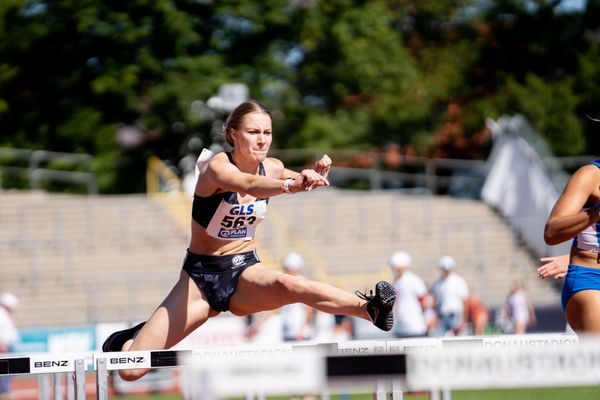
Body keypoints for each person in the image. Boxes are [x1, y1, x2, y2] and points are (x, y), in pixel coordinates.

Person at [101, 100, 396, 381]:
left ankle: (369, 309)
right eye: (253, 132)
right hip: (200, 281)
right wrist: (290, 186)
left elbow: (294, 182)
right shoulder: (216, 167)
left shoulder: (274, 168)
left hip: (244, 272)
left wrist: (312, 178)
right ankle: (131, 338)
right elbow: (248, 184)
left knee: (290, 284)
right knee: (131, 370)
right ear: (233, 134)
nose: (262, 140)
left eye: (267, 133)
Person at [543, 157, 600, 333]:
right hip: (592, 280)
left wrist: (568, 258)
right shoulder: (590, 175)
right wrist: (597, 211)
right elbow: (552, 232)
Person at [388, 251, 429, 338]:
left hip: (415, 326)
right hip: (400, 327)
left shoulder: (414, 280)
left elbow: (424, 301)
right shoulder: (395, 282)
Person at [430, 256, 469, 336]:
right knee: (439, 339)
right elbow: (435, 301)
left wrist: (464, 320)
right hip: (443, 317)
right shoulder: (438, 283)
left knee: (458, 340)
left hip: (455, 316)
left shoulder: (458, 281)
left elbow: (465, 301)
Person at [0, 293, 20, 398]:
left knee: (9, 369)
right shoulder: (1, 314)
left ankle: (5, 391)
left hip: (7, 346)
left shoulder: (4, 314)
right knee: (5, 369)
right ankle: (3, 393)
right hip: (3, 347)